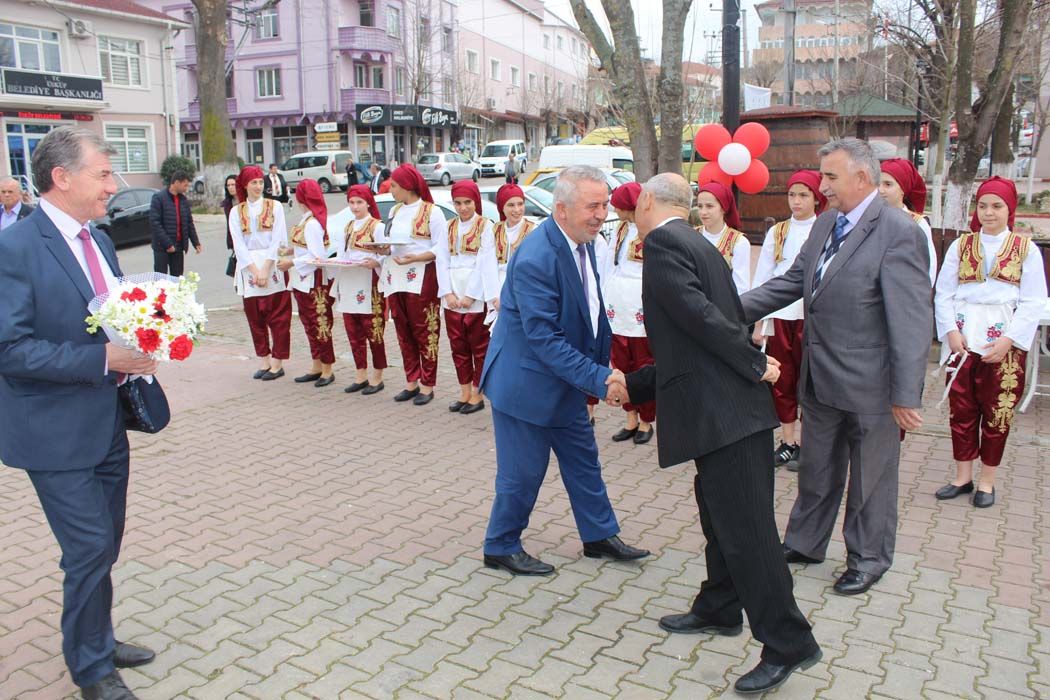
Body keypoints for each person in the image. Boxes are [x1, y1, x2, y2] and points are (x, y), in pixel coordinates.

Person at [610, 172, 821, 696]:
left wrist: (755, 363)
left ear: (649, 202)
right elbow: (692, 340)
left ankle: (788, 642)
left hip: (728, 415)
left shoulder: (661, 243)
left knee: (749, 534)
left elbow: (703, 320)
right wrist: (634, 385)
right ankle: (720, 607)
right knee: (720, 518)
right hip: (722, 413)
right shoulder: (699, 243)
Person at [0, 126, 160, 700]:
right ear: (61, 178)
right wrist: (104, 357)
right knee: (89, 546)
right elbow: (9, 349)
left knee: (106, 541)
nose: (113, 185)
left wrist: (148, 339)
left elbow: (111, 312)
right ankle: (90, 668)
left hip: (107, 417)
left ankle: (100, 635)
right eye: (103, 173)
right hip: (52, 429)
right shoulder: (14, 247)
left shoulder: (101, 240)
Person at [741, 138, 933, 596]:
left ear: (861, 178)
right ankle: (806, 543)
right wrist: (728, 306)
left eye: (830, 177)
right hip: (821, 375)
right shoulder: (827, 223)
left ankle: (868, 558)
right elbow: (792, 281)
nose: (822, 185)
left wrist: (906, 394)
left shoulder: (898, 231)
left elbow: (910, 321)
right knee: (818, 470)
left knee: (871, 479)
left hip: (873, 386)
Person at [480, 165, 649, 576]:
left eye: (605, 204)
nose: (601, 214)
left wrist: (603, 367)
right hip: (525, 384)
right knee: (523, 473)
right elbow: (544, 338)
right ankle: (500, 545)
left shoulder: (585, 242)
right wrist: (600, 379)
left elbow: (592, 312)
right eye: (592, 206)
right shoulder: (537, 256)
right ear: (561, 210)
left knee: (583, 460)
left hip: (565, 381)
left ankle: (598, 536)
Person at [934, 176, 1047, 507]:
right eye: (982, 205)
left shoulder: (1026, 250)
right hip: (964, 338)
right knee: (962, 409)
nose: (988, 212)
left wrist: (1009, 340)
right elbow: (944, 293)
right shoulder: (961, 246)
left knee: (997, 413)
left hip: (1004, 343)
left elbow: (1033, 301)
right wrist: (951, 332)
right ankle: (962, 476)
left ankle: (987, 481)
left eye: (996, 206)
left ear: (1009, 209)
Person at [750, 170, 827, 470]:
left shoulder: (825, 228)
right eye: (792, 195)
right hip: (781, 315)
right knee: (782, 379)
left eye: (803, 195)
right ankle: (788, 441)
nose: (796, 201)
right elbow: (764, 276)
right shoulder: (778, 231)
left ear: (816, 198)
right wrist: (758, 321)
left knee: (811, 381)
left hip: (811, 316)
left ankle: (810, 445)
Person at [379, 164, 445, 405]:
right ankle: (411, 381)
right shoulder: (394, 211)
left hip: (422, 275)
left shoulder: (432, 212)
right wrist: (383, 247)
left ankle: (427, 384)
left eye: (394, 186)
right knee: (403, 330)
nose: (391, 190)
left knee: (425, 329)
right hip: (396, 275)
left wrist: (417, 257)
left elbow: (440, 248)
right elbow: (391, 240)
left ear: (407, 186)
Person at [436, 180, 499, 414]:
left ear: (476, 202)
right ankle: (463, 391)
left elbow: (485, 262)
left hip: (475, 292)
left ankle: (477, 393)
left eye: (467, 202)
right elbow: (441, 260)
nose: (462, 208)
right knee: (457, 345)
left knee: (478, 346)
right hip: (452, 291)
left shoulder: (486, 226)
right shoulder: (448, 226)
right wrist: (447, 293)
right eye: (458, 203)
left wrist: (471, 295)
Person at [601, 182, 655, 445]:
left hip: (641, 302)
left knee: (642, 360)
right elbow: (609, 264)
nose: (614, 209)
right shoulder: (620, 229)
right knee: (620, 360)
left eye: (618, 205)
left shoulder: (651, 229)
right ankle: (630, 417)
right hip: (618, 303)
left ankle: (646, 420)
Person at [229, 165, 292, 381]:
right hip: (248, 267)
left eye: (260, 181)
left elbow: (279, 238)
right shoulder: (236, 211)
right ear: (244, 185)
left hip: (271, 263)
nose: (258, 186)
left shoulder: (275, 206)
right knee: (255, 316)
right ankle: (264, 359)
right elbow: (238, 244)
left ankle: (278, 362)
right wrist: (254, 270)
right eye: (253, 182)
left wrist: (265, 268)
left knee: (278, 315)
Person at [278, 179, 336, 387]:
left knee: (320, 324)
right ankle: (317, 364)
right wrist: (291, 251)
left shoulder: (311, 223)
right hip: (303, 280)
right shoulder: (307, 220)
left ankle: (327, 368)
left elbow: (317, 256)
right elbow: (307, 248)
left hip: (314, 282)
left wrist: (291, 261)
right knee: (308, 323)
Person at [332, 184, 388, 395]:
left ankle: (378, 374)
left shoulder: (377, 226)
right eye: (352, 203)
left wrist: (376, 261)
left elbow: (385, 253)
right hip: (349, 280)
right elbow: (342, 253)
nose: (355, 207)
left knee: (373, 329)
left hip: (369, 282)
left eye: (359, 202)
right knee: (352, 329)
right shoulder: (347, 226)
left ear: (367, 203)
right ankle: (360, 373)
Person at [879, 158, 938, 285]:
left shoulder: (917, 223)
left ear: (903, 189)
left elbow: (928, 268)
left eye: (888, 184)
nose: (880, 190)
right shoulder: (868, 219)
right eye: (877, 183)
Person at [694, 181, 751, 295]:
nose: (703, 212)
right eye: (700, 206)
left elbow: (741, 287)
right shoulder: (691, 235)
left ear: (724, 208)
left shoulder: (738, 242)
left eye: (709, 206)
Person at [488, 183, 538, 314]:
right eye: (511, 205)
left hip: (524, 291)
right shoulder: (493, 230)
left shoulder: (534, 230)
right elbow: (487, 265)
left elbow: (535, 269)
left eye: (520, 204)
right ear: (501, 207)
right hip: (497, 290)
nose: (517, 209)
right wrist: (495, 296)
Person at [148, 170, 202, 276]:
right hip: (162, 247)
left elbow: (189, 223)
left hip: (178, 246)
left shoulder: (183, 200)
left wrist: (196, 242)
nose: (186, 189)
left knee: (177, 278)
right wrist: (167, 244)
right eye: (185, 185)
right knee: (161, 279)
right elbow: (155, 223)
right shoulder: (159, 198)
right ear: (177, 182)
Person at [221, 174, 238, 251]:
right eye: (228, 185)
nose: (230, 187)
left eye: (233, 184)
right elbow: (229, 224)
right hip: (234, 238)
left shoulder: (246, 200)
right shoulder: (227, 203)